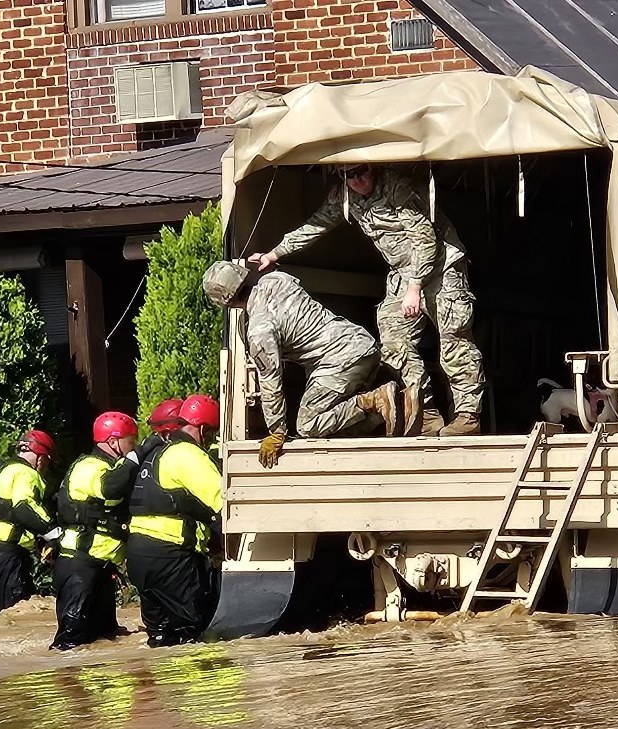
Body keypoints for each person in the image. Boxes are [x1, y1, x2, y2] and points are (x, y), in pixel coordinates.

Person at [250, 163, 485, 437]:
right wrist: (274, 254)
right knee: (393, 343)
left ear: (373, 168)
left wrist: (415, 287)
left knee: (455, 341)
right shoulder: (345, 196)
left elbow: (425, 240)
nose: (358, 180)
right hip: (403, 272)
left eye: (362, 171)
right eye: (349, 175)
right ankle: (426, 413)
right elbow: (317, 224)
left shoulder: (398, 187)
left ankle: (467, 417)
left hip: (440, 268)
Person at [203, 260, 412, 468]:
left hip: (339, 362)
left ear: (226, 303)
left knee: (308, 426)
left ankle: (374, 401)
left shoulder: (259, 331)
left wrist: (277, 431)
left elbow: (271, 385)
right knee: (334, 425)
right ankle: (399, 405)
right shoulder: (276, 279)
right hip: (362, 345)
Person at [50, 412, 162, 651]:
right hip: (79, 568)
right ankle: (66, 687)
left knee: (104, 639)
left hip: (100, 569)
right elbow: (111, 487)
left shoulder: (108, 467)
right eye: (130, 441)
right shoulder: (89, 466)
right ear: (113, 442)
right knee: (71, 644)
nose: (133, 445)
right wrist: (138, 454)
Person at [127, 394, 224, 647]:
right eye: (211, 433)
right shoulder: (189, 455)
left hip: (138, 557)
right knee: (194, 632)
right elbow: (224, 503)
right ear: (203, 429)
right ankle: (202, 687)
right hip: (170, 559)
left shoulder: (159, 454)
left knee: (161, 638)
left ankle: (167, 687)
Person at [0, 429, 59, 618]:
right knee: (16, 615)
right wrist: (53, 533)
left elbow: (3, 512)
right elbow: (25, 508)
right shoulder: (25, 473)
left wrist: (37, 540)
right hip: (7, 555)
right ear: (41, 458)